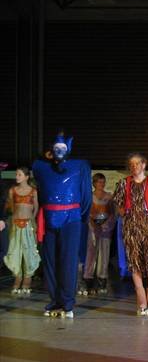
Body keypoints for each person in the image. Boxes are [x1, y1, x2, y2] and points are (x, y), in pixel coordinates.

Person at [32, 132, 92, 318]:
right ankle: (55, 300)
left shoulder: (79, 167)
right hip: (49, 218)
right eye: (56, 148)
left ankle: (67, 302)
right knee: (50, 261)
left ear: (68, 149)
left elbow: (86, 196)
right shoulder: (41, 167)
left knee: (68, 261)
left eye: (62, 148)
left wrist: (80, 218)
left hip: (71, 218)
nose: (59, 151)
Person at [113, 152, 148, 316]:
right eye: (131, 164)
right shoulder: (124, 183)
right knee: (135, 260)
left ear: (144, 165)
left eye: (137, 163)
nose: (134, 166)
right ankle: (141, 296)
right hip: (131, 228)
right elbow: (119, 204)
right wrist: (130, 217)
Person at [4, 166, 40, 294]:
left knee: (29, 251)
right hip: (15, 225)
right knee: (15, 251)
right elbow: (9, 207)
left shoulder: (33, 191)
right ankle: (17, 277)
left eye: (19, 175)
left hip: (28, 225)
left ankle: (27, 278)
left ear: (26, 177)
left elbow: (36, 207)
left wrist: (32, 220)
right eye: (16, 174)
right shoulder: (12, 190)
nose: (16, 177)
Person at [83, 173, 115, 294]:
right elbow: (86, 212)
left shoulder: (109, 197)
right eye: (99, 182)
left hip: (105, 228)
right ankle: (88, 278)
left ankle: (102, 279)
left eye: (103, 182)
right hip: (93, 227)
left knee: (104, 254)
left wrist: (106, 224)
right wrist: (92, 223)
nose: (101, 184)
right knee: (91, 253)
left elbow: (113, 213)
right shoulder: (90, 197)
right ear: (94, 183)